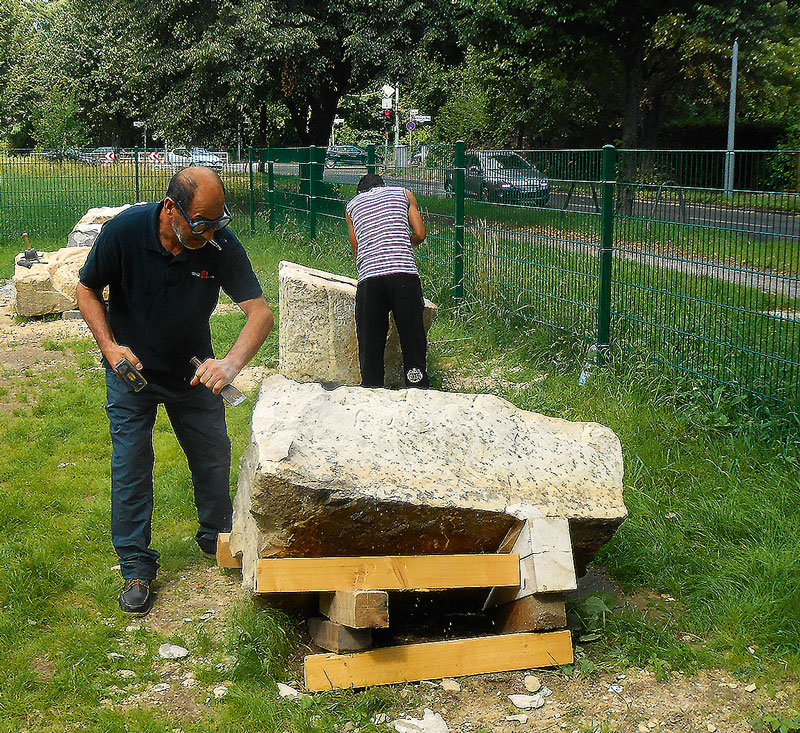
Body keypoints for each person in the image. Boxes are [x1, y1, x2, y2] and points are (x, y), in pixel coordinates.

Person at [77, 166, 273, 616]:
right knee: (131, 464)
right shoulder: (124, 232)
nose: (210, 231)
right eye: (201, 221)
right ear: (171, 209)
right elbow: (87, 289)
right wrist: (110, 347)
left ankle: (219, 537)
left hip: (192, 371)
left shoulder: (217, 243)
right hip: (134, 374)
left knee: (212, 455)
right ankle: (136, 567)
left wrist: (229, 363)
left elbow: (260, 314)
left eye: (218, 221)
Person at [346, 174, 429, 388]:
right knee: (412, 338)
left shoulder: (352, 206)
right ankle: (417, 385)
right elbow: (420, 234)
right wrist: (401, 245)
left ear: (360, 192)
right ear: (384, 186)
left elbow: (357, 251)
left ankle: (372, 388)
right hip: (404, 275)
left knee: (370, 341)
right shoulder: (403, 194)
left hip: (370, 278)